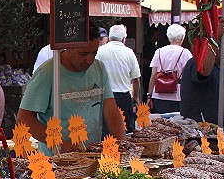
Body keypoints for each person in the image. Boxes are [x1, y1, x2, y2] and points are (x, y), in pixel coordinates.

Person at [17, 26, 125, 154]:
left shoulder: (99, 68)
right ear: (69, 47)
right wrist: (60, 143)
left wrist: (123, 144)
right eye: (83, 54)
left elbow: (111, 111)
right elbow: (24, 118)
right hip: (56, 160)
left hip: (91, 157)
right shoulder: (47, 73)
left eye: (94, 53)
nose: (89, 60)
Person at [180, 37, 224, 127]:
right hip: (205, 134)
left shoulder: (216, 67)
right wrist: (213, 39)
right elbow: (203, 72)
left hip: (220, 133)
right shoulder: (196, 63)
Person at [94, 24, 141, 131]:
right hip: (124, 96)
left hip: (105, 96)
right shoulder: (129, 52)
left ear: (109, 38)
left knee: (106, 129)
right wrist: (136, 96)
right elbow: (136, 79)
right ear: (124, 39)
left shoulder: (100, 51)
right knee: (125, 128)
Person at [147, 23, 192, 115]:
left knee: (160, 125)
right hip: (178, 96)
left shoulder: (158, 52)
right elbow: (190, 77)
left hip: (158, 95)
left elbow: (153, 76)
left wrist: (149, 96)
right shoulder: (185, 53)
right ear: (182, 38)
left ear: (168, 37)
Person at [141, 28, 161, 101]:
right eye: (157, 35)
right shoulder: (147, 47)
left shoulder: (156, 48)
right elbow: (144, 60)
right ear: (152, 36)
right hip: (147, 72)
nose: (158, 37)